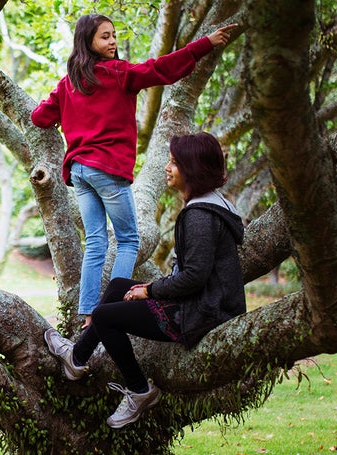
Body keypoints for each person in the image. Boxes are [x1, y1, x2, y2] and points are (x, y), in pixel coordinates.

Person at [31, 15, 237, 328]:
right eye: (104, 37)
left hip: (80, 172)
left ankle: (88, 313)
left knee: (96, 243)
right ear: (87, 42)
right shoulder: (118, 74)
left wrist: (66, 116)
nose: (112, 42)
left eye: (113, 35)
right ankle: (112, 310)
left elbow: (39, 117)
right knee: (128, 240)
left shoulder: (68, 83)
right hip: (107, 169)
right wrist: (203, 45)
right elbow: (161, 69)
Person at [43, 132, 246, 429]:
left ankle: (140, 391)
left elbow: (194, 278)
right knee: (116, 287)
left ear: (193, 169)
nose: (166, 167)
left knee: (104, 315)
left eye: (174, 163)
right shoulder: (211, 203)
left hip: (202, 313)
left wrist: (149, 290)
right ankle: (77, 357)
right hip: (203, 302)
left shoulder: (200, 216)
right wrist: (149, 290)